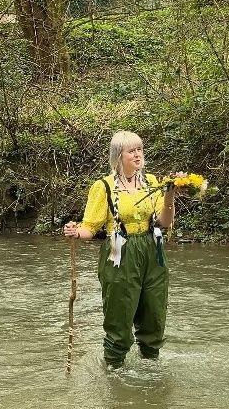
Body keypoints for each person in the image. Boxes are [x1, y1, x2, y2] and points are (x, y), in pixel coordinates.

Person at [63, 131, 178, 368]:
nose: (138, 155)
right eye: (131, 151)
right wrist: (76, 232)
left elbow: (164, 223)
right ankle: (114, 369)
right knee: (120, 314)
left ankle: (150, 367)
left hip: (152, 250)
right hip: (119, 251)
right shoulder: (103, 187)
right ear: (119, 156)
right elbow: (90, 228)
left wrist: (169, 197)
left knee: (154, 314)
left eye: (140, 150)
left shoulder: (152, 183)